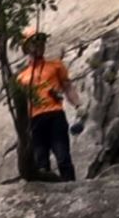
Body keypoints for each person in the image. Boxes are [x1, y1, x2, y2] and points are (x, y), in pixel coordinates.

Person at [17, 28, 86, 181]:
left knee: (63, 157)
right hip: (34, 120)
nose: (39, 45)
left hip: (55, 115)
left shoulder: (55, 65)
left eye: (41, 42)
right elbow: (21, 106)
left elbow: (67, 87)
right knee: (41, 161)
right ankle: (47, 198)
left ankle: (73, 189)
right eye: (34, 43)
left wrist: (78, 105)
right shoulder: (21, 77)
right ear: (27, 47)